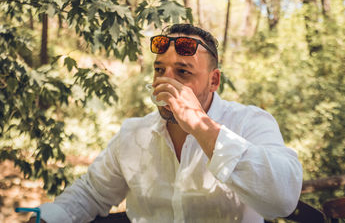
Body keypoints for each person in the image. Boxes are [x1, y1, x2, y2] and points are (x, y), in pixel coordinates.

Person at [28, 24, 303, 223]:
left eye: (182, 72)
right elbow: (90, 194)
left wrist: (200, 125)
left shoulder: (249, 122)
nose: (164, 82)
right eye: (160, 69)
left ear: (214, 81)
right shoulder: (133, 134)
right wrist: (48, 217)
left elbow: (282, 199)